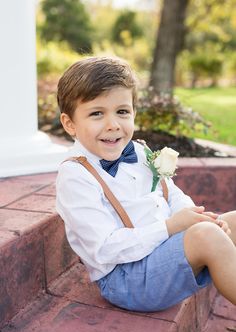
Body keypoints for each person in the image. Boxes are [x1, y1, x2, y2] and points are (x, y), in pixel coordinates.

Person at [56, 56, 236, 312]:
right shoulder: (76, 176)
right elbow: (105, 249)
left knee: (228, 223)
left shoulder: (139, 151)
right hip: (126, 280)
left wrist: (194, 216)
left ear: (133, 113)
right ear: (70, 123)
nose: (113, 125)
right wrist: (171, 227)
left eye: (122, 112)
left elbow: (171, 193)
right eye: (97, 113)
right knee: (206, 236)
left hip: (161, 251)